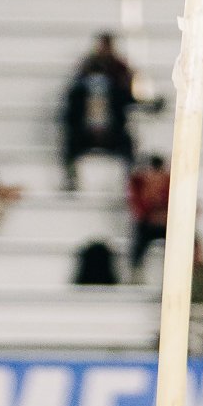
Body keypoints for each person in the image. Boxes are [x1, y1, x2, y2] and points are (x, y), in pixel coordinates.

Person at [61, 33, 137, 186]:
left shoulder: (119, 69)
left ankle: (129, 180)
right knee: (70, 142)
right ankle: (71, 178)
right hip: (86, 130)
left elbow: (128, 98)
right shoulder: (87, 67)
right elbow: (73, 101)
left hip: (112, 130)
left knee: (128, 144)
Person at [128, 152, 171, 276]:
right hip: (148, 223)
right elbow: (136, 206)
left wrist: (165, 216)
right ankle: (136, 269)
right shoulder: (138, 183)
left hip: (168, 222)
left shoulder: (170, 182)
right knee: (139, 237)